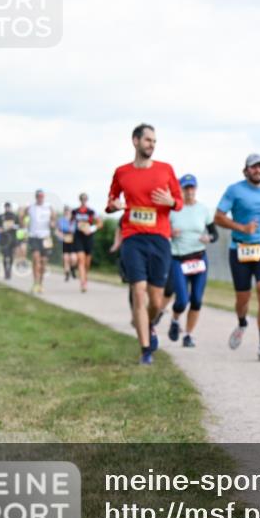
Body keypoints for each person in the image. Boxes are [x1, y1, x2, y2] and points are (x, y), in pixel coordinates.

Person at [106, 123, 183, 365]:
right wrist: (113, 206)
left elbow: (179, 202)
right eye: (148, 140)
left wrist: (171, 201)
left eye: (154, 141)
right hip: (132, 238)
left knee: (157, 301)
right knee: (138, 293)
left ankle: (148, 324)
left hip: (159, 239)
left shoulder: (165, 170)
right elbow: (111, 201)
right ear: (135, 141)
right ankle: (146, 351)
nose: (152, 144)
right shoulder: (122, 172)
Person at [215, 153, 260, 362]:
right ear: (245, 170)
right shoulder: (234, 190)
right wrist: (242, 228)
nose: (257, 170)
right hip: (240, 249)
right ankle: (242, 322)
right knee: (243, 298)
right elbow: (218, 217)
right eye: (253, 167)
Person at [165, 174, 218, 348]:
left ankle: (188, 335)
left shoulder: (203, 209)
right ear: (180, 189)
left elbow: (215, 234)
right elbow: (162, 232)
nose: (189, 191)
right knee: (182, 300)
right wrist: (170, 233)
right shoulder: (173, 210)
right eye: (186, 188)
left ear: (196, 189)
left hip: (199, 258)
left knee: (196, 300)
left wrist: (208, 238)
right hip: (179, 258)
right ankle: (174, 320)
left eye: (192, 188)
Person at [27, 190, 55, 294]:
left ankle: (41, 284)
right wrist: (24, 225)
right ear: (36, 197)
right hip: (34, 236)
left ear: (44, 197)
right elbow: (22, 215)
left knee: (44, 262)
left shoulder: (49, 207)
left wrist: (52, 223)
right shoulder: (31, 207)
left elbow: (53, 220)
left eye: (42, 196)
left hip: (46, 238)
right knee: (35, 259)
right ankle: (35, 283)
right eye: (38, 196)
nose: (40, 198)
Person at [72, 193, 100, 293]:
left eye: (85, 199)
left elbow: (100, 223)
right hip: (78, 237)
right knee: (81, 261)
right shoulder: (75, 211)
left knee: (87, 263)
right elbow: (70, 223)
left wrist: (91, 229)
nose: (83, 200)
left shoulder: (91, 211)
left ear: (87, 200)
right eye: (82, 199)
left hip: (88, 238)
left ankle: (85, 278)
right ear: (80, 200)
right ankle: (82, 283)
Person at [0, 202, 19, 279]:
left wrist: (13, 226)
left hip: (12, 238)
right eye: (6, 207)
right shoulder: (0, 217)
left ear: (10, 207)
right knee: (5, 256)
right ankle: (6, 271)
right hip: (4, 239)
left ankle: (10, 269)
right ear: (4, 208)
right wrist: (0, 229)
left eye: (8, 207)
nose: (7, 208)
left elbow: (19, 226)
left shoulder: (14, 216)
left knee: (11, 255)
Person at [57, 205, 78, 282]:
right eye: (66, 210)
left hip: (73, 242)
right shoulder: (61, 220)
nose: (67, 212)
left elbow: (77, 231)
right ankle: (67, 274)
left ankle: (72, 268)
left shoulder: (74, 220)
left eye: (68, 210)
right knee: (65, 258)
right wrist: (60, 237)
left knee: (73, 258)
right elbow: (58, 231)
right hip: (65, 241)